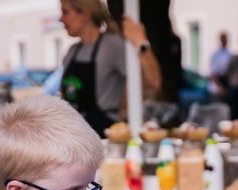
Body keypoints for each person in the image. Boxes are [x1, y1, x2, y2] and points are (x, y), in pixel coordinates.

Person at [59, 0, 162, 135]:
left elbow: (153, 81)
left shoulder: (111, 46)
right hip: (74, 137)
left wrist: (141, 42)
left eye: (65, 12)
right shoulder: (72, 52)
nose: (61, 19)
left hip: (103, 136)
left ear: (85, 14)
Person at [208, 31, 231, 100]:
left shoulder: (229, 54)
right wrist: (220, 87)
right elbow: (213, 73)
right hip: (217, 88)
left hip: (226, 85)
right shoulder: (216, 54)